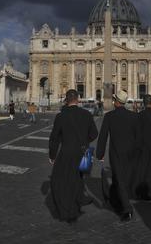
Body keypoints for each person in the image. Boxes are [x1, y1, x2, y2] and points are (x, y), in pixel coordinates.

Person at [48, 89, 98, 223]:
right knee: (79, 178)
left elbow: (54, 138)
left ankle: (68, 208)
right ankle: (77, 202)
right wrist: (84, 141)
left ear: (66, 100)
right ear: (78, 99)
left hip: (67, 152)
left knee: (60, 180)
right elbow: (94, 134)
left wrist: (52, 155)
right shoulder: (87, 114)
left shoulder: (60, 116)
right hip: (84, 152)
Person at [96, 89, 140, 222]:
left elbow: (103, 136)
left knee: (120, 180)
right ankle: (116, 200)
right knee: (122, 179)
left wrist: (100, 153)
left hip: (116, 153)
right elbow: (139, 137)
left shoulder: (109, 116)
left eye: (114, 100)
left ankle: (127, 209)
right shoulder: (134, 116)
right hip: (132, 152)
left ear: (116, 102)